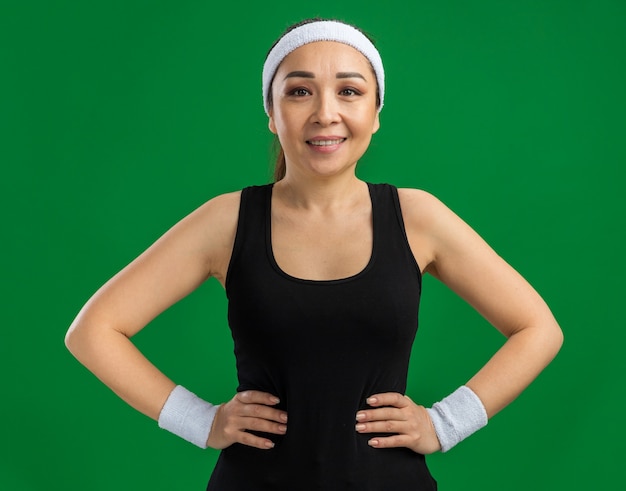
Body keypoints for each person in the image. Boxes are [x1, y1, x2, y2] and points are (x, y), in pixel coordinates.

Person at [65, 18, 563, 490]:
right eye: (299, 91)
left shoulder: (417, 217)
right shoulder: (227, 221)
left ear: (376, 112)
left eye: (349, 91)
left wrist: (445, 423)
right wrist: (201, 421)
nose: (326, 112)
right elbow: (93, 331)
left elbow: (538, 329)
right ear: (271, 112)